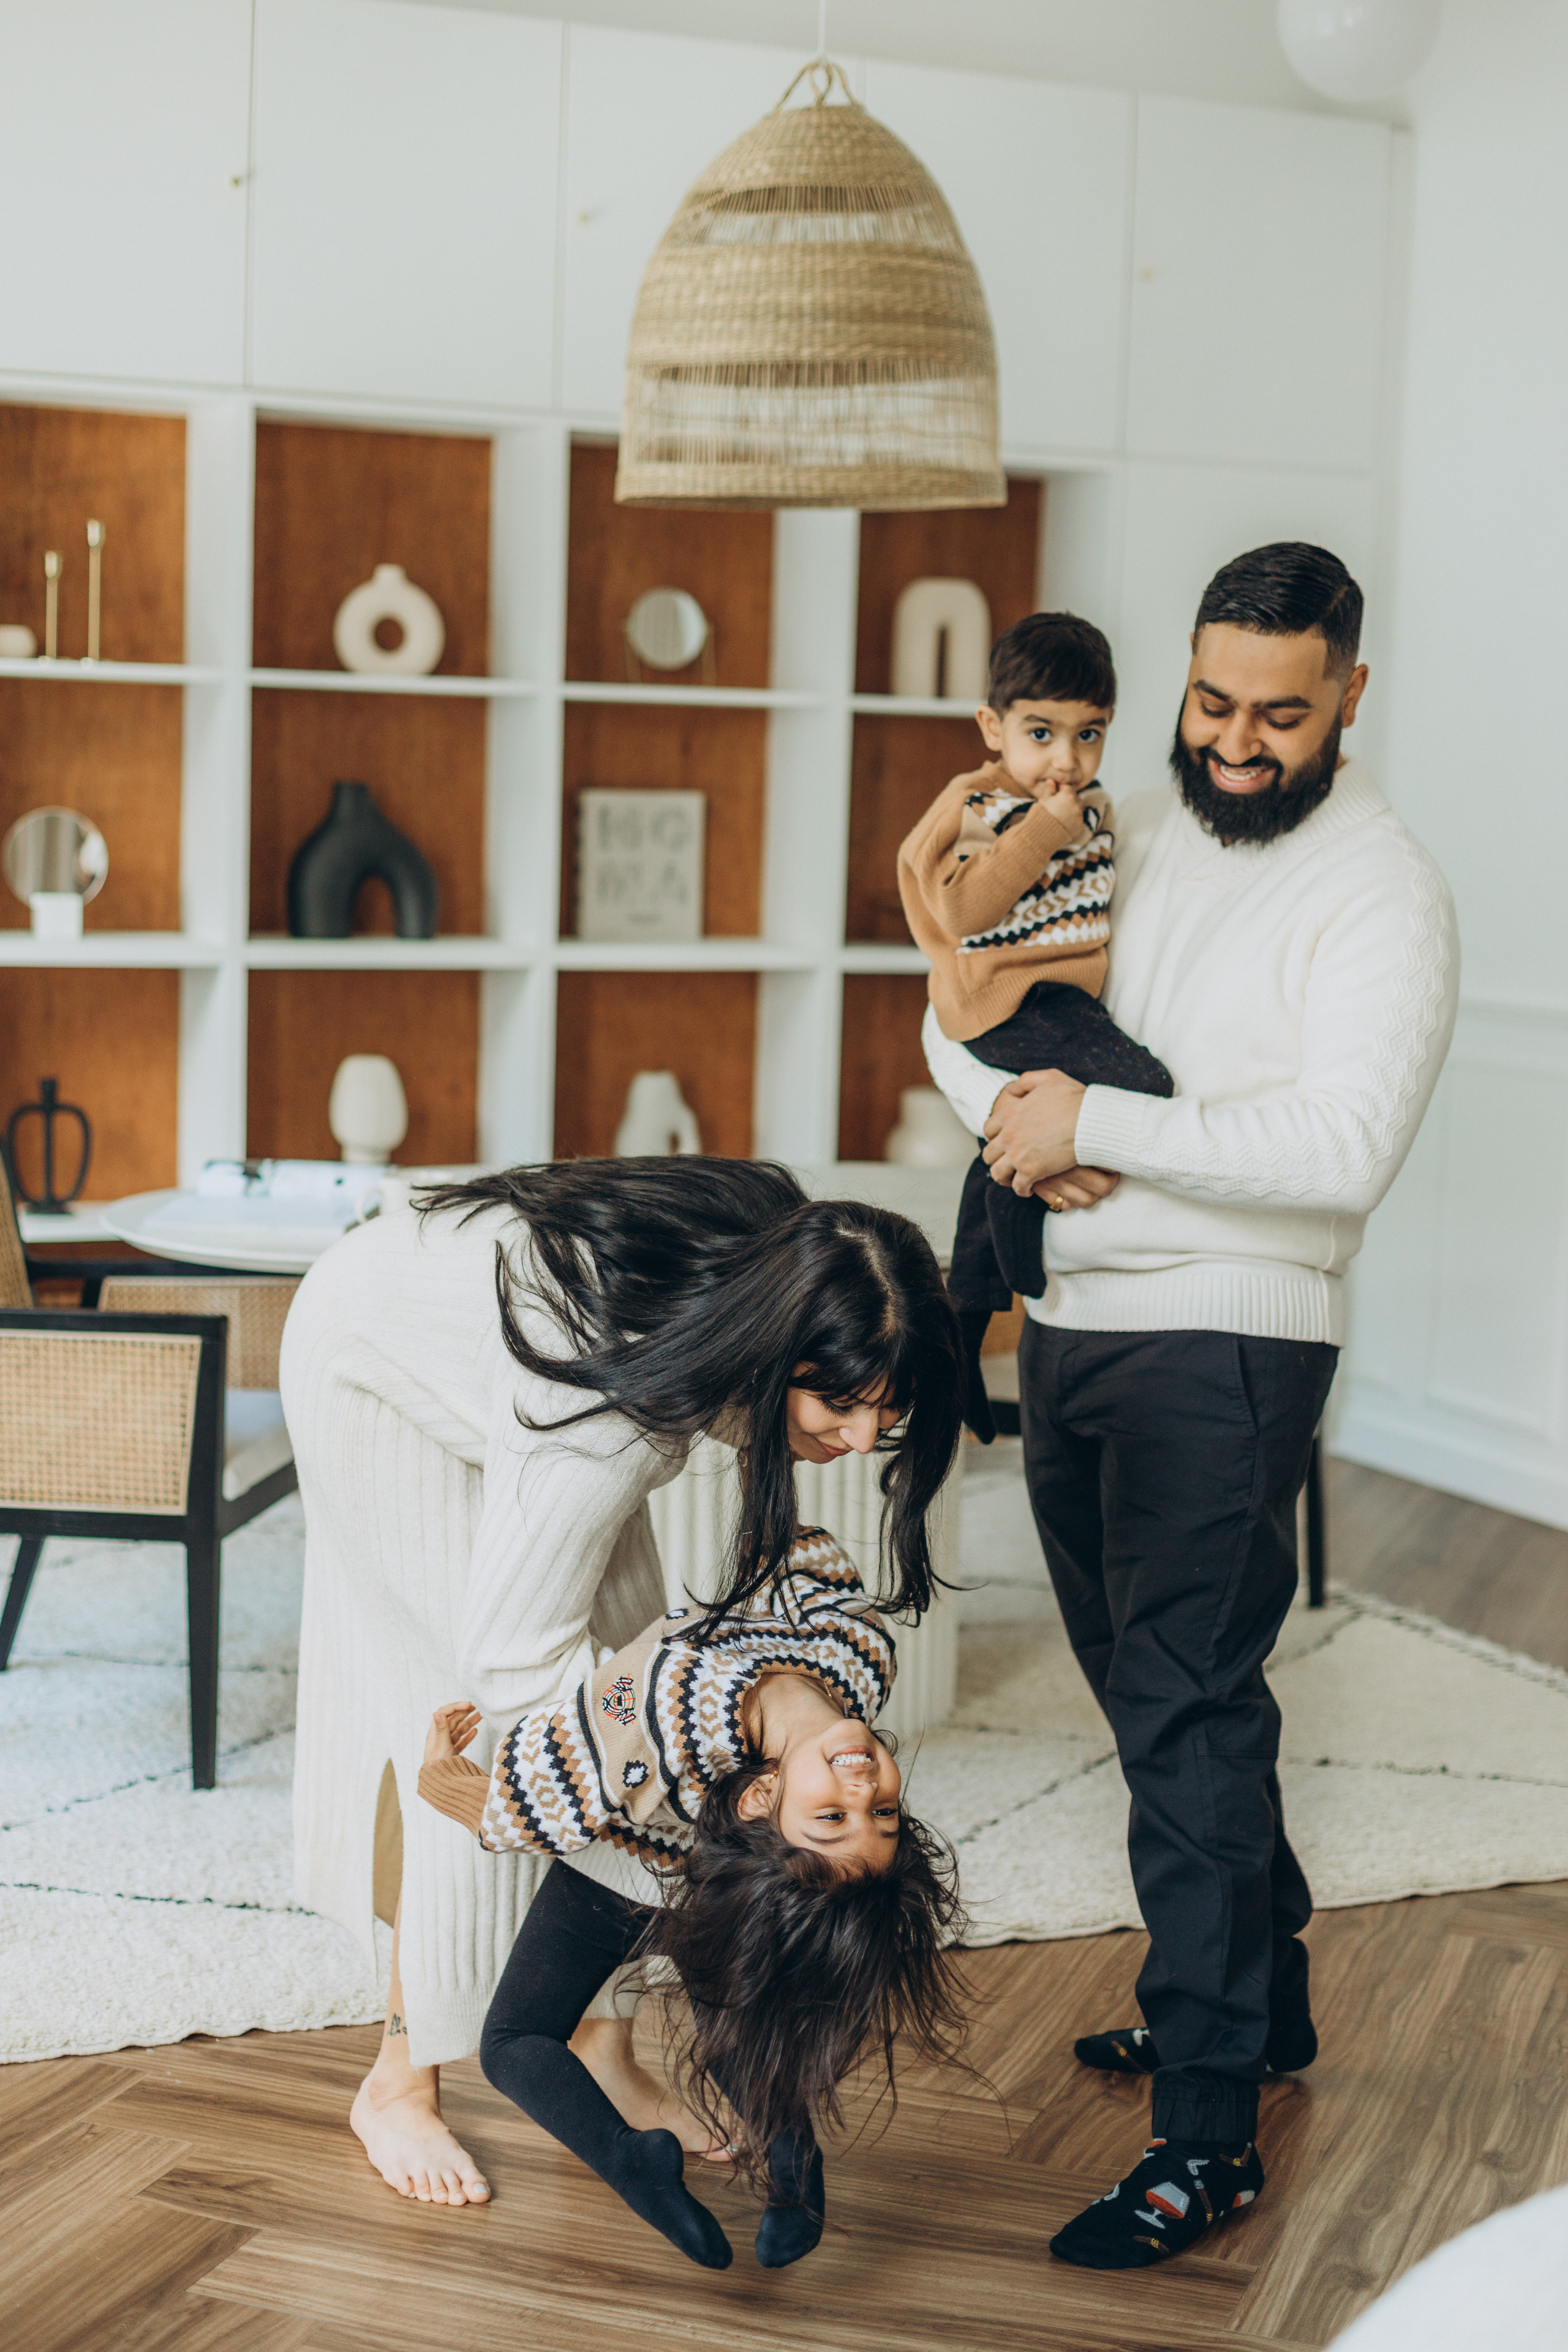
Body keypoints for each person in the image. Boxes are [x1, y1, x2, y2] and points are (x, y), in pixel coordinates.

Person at [920, 543, 1458, 2267]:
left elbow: (1341, 1154)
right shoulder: (1119, 824)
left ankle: (1210, 2129)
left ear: (1351, 698)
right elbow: (965, 996)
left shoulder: (1385, 891)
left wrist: (1097, 1123)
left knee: (1184, 1716)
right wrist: (1015, 1114)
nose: (1232, 742)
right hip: (1077, 1331)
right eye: (1210, 703)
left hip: (1230, 1344)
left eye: (1277, 716)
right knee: (1165, 1704)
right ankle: (1261, 2008)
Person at [281, 1158, 962, 2211]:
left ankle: (605, 2041)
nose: (864, 1439)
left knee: (638, 1676)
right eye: (840, 1402)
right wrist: (635, 1788)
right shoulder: (606, 1430)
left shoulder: (791, 1261)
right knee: (459, 1715)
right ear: (775, 1348)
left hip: (528, 1384)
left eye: (888, 1409)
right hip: (374, 1371)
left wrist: (685, 1760)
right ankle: (398, 2082)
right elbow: (513, 1669)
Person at [417, 1526, 965, 2269]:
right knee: (731, 2035)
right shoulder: (861, 1667)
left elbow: (570, 1779)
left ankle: (629, 2160)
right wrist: (767, 1509)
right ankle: (793, 2160)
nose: (866, 1791)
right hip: (710, 1885)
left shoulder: (673, 1710)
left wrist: (457, 1791)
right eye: (882, 1816)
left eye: (833, 1818)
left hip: (626, 1873)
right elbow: (820, 1576)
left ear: (762, 1796)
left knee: (512, 2044)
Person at [897, 612, 1174, 1437]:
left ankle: (963, 1334)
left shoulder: (1092, 805)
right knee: (1144, 1089)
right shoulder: (982, 803)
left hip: (1061, 1004)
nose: (1066, 758)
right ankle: (1022, 1244)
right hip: (1001, 1002)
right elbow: (960, 907)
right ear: (994, 727)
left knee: (1004, 1145)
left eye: (1088, 735)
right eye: (1042, 733)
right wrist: (1046, 826)